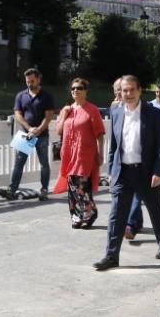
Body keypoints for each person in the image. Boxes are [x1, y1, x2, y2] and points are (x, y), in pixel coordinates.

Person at [93, 75, 160, 271]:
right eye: (124, 90)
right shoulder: (117, 112)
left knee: (155, 208)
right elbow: (114, 145)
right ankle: (111, 256)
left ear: (139, 91)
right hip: (123, 172)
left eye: (131, 90)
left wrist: (159, 171)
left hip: (146, 172)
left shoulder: (153, 114)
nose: (127, 94)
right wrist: (111, 171)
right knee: (116, 215)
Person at [125, 83, 160, 240]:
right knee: (135, 196)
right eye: (156, 92)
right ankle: (132, 224)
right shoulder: (150, 106)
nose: (158, 94)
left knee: (153, 203)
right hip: (134, 165)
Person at [52, 78, 106, 228]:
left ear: (86, 91)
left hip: (85, 153)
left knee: (80, 184)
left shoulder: (92, 110)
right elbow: (58, 131)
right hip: (68, 153)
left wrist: (100, 153)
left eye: (79, 88)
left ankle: (90, 211)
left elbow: (100, 134)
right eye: (73, 88)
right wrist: (64, 114)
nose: (76, 90)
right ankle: (76, 215)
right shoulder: (67, 110)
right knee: (71, 186)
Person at [0, 68, 55, 201]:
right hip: (25, 134)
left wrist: (38, 130)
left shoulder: (46, 96)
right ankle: (12, 190)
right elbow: (17, 114)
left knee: (44, 163)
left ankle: (44, 190)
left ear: (38, 79)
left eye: (32, 81)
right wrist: (29, 128)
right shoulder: (21, 95)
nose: (29, 84)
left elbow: (49, 116)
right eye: (27, 81)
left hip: (41, 135)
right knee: (18, 163)